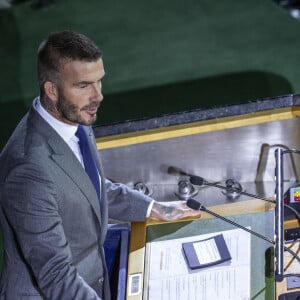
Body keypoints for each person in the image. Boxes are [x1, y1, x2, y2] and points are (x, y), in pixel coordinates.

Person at [0, 31, 200, 300]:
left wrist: (152, 208)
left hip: (90, 282)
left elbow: (85, 186)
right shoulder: (27, 171)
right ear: (52, 90)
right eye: (84, 86)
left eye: (99, 82)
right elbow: (55, 275)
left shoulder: (73, 118)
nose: (98, 96)